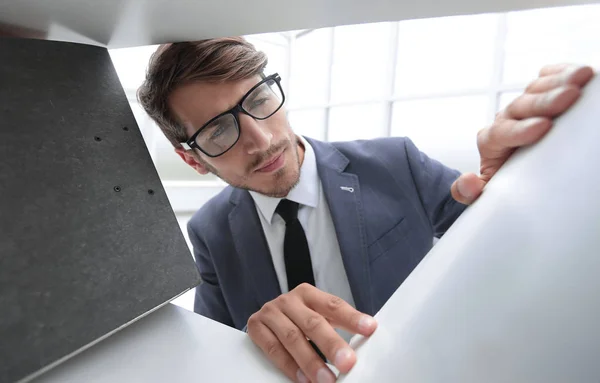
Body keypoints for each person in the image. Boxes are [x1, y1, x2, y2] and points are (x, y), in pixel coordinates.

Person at [137, 37, 594, 383]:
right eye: (219, 131)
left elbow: (512, 256)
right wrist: (251, 341)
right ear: (192, 159)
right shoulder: (210, 232)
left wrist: (521, 185)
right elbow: (211, 359)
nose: (262, 139)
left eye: (257, 100)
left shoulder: (397, 163)